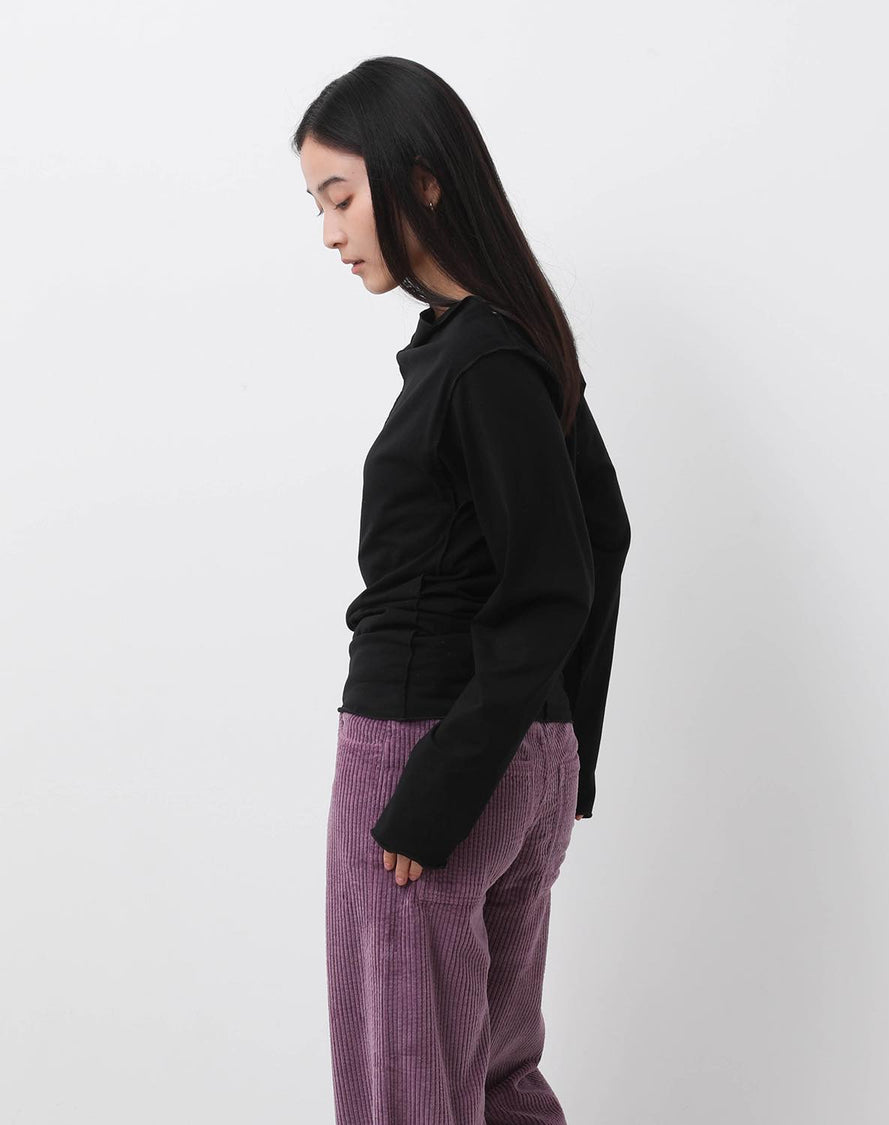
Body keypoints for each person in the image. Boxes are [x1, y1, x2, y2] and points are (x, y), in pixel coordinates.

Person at [293, 56, 631, 1125]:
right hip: (515, 757)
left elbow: (557, 576)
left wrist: (442, 787)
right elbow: (604, 535)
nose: (330, 232)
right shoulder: (513, 343)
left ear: (423, 180)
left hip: (427, 754)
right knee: (499, 1084)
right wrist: (561, 741)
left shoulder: (478, 358)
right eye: (317, 207)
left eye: (340, 196)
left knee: (408, 1094)